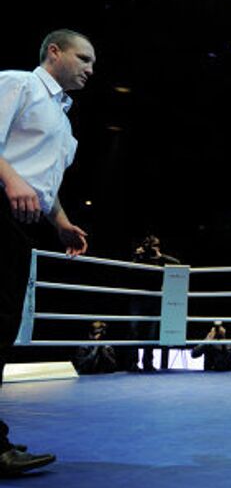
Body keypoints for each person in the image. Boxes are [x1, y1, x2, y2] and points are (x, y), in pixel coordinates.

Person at [0, 28, 95, 474]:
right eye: (84, 57)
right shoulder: (18, 82)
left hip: (23, 226)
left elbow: (45, 184)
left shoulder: (65, 122)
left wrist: (60, 223)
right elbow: (19, 172)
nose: (90, 69)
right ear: (54, 52)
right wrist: (11, 179)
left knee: (1, 333)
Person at [127, 234, 180, 372]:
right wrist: (137, 256)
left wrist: (160, 255)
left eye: (157, 245)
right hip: (138, 299)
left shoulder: (160, 260)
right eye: (153, 245)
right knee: (134, 331)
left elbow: (177, 264)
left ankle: (148, 362)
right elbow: (129, 271)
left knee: (151, 333)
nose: (155, 248)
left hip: (155, 299)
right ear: (146, 247)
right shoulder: (140, 258)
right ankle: (133, 363)